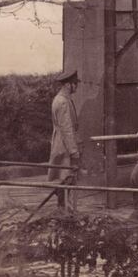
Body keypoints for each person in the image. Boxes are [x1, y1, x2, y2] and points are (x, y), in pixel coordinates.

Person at [49, 69, 81, 207]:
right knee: (66, 178)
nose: (76, 87)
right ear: (68, 85)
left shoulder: (62, 99)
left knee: (65, 178)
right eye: (75, 84)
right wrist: (73, 150)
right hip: (65, 146)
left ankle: (64, 209)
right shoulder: (62, 102)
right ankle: (65, 211)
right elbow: (66, 128)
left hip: (62, 143)